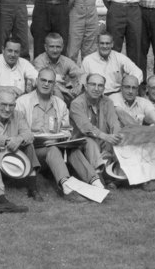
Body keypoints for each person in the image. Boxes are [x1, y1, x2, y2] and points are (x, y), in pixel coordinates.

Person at [16, 69, 103, 202]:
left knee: (72, 148)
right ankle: (67, 188)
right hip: (32, 150)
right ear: (37, 81)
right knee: (53, 149)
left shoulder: (60, 104)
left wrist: (62, 137)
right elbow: (19, 131)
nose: (46, 84)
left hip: (55, 146)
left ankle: (96, 183)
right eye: (43, 80)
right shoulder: (22, 102)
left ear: (54, 85)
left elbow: (66, 129)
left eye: (50, 82)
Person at [0, 91, 41, 203]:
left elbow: (29, 135)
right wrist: (5, 140)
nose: (7, 109)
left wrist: (19, 139)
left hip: (11, 155)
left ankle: (33, 189)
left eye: (11, 105)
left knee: (28, 144)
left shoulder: (18, 115)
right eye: (3, 104)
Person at [69, 74, 122, 161]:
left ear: (104, 89)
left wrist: (114, 140)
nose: (96, 89)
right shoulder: (77, 103)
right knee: (90, 141)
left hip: (103, 143)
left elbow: (114, 123)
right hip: (82, 145)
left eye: (100, 85)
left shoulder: (107, 102)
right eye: (93, 84)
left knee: (118, 145)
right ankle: (99, 172)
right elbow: (86, 127)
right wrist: (106, 137)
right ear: (86, 86)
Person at [33, 33, 84, 105]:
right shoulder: (39, 60)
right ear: (45, 47)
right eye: (51, 46)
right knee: (56, 91)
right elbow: (43, 80)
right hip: (45, 92)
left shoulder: (65, 60)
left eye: (58, 47)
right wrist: (65, 90)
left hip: (64, 92)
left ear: (62, 47)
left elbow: (83, 74)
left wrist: (80, 85)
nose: (55, 50)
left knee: (84, 89)